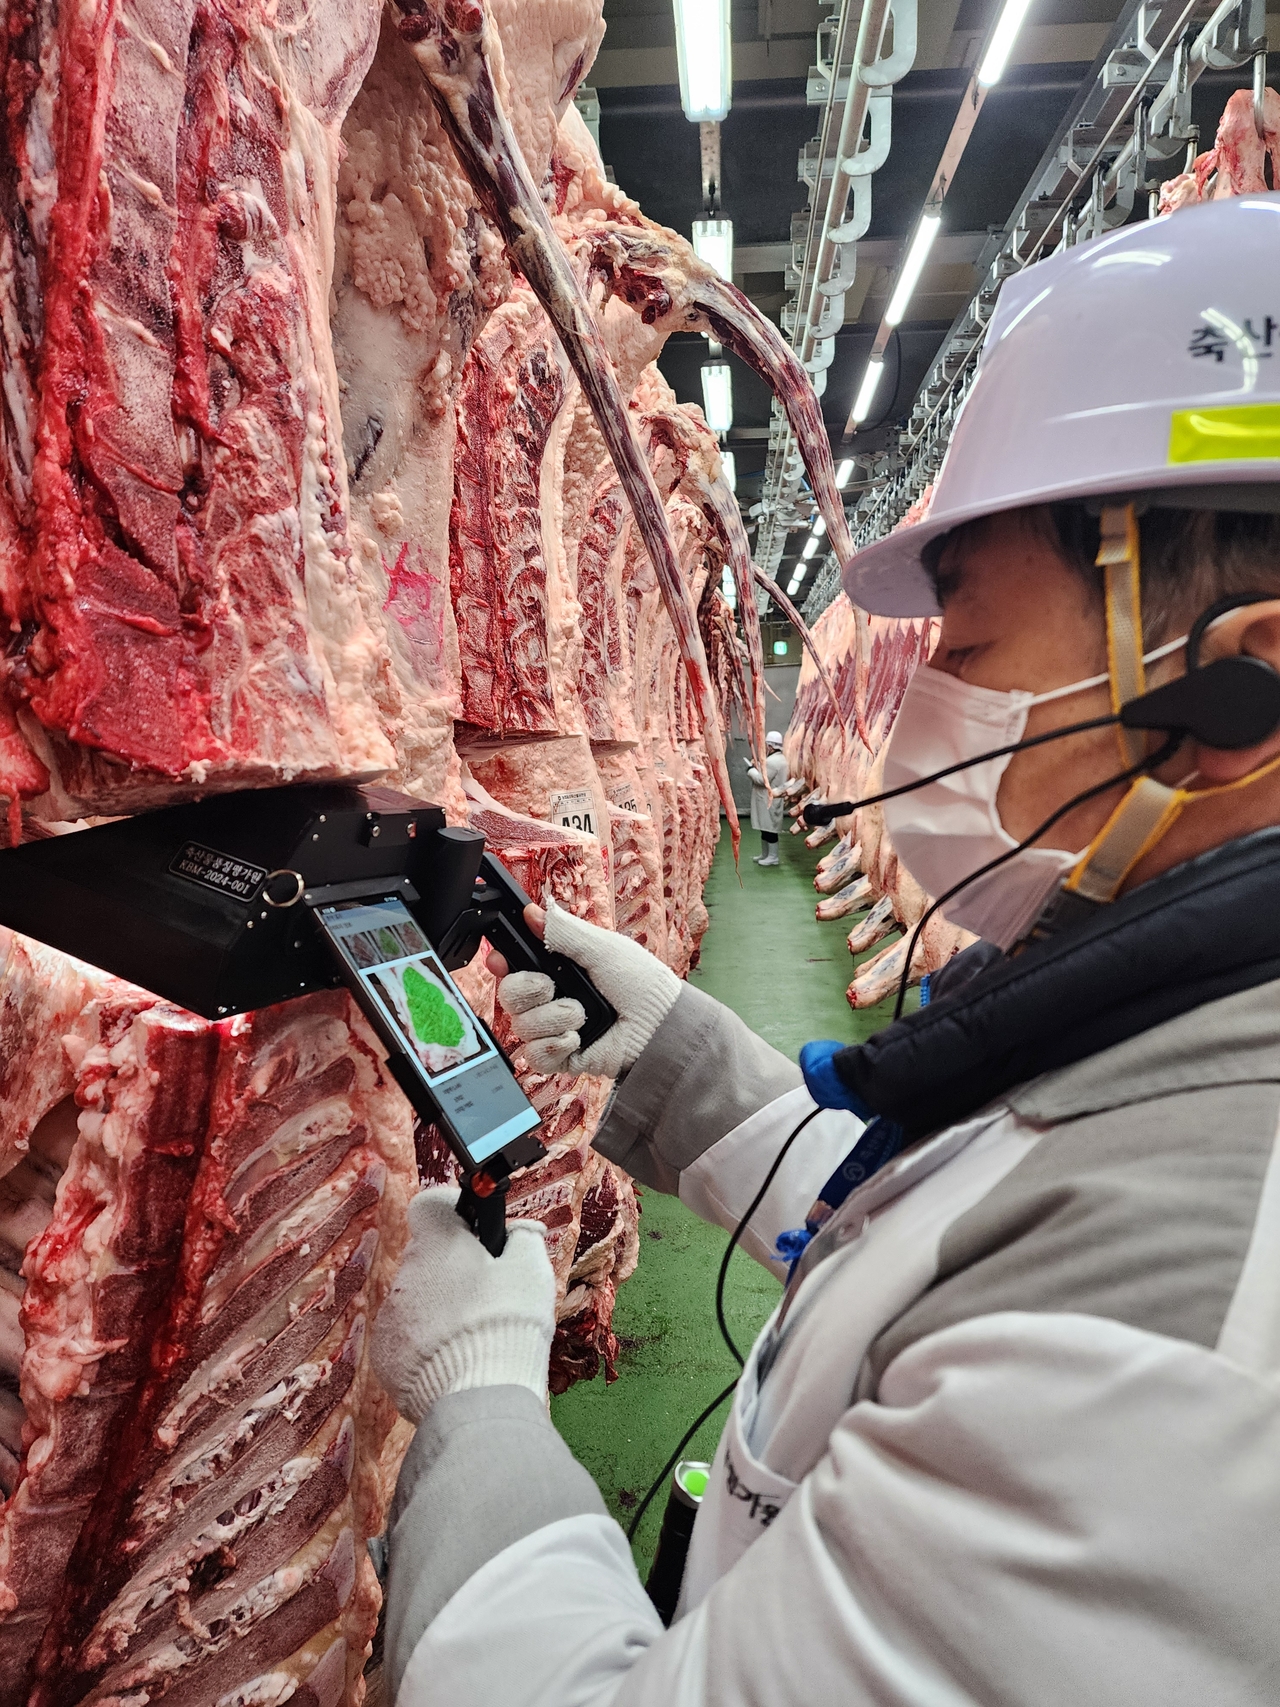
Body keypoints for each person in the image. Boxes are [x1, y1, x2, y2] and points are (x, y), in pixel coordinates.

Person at [372, 196, 1280, 1704]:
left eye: (972, 654)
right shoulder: (1184, 1051)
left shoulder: (1183, 1337)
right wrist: (675, 1052)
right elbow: (970, 1215)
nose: (925, 718)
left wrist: (478, 1401)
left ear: (1238, 691)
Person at [746, 731, 788, 865]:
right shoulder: (779, 759)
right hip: (769, 799)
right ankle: (766, 854)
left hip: (768, 800)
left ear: (770, 746)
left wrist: (750, 770)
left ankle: (773, 857)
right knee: (765, 827)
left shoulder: (773, 761)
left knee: (770, 829)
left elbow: (761, 780)